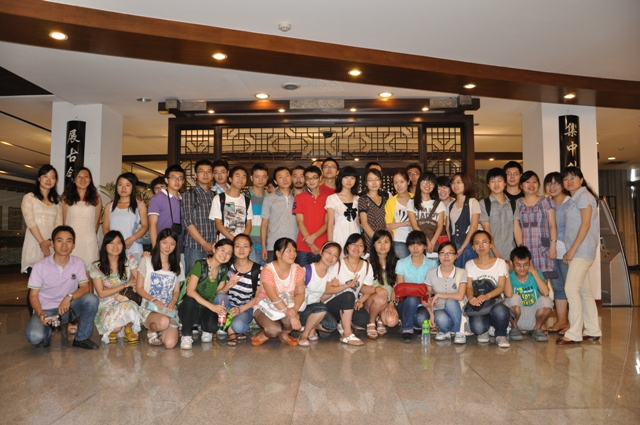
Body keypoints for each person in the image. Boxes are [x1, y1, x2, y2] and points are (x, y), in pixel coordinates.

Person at [25, 225, 100, 350]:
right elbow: (33, 295)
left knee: (91, 299)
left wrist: (69, 297)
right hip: (46, 311)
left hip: (68, 308)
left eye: (69, 241)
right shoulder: (40, 266)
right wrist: (39, 312)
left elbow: (85, 288)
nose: (64, 245)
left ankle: (81, 339)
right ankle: (47, 332)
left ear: (73, 245)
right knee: (35, 336)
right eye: (60, 241)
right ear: (52, 244)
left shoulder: (78, 263)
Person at [556, 167, 602, 345]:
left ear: (581, 180)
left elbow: (585, 225)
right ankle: (592, 329)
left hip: (581, 251)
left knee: (570, 289)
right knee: (584, 291)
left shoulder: (584, 196)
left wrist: (571, 250)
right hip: (579, 251)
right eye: (566, 179)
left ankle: (574, 333)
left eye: (573, 178)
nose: (569, 181)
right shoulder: (574, 199)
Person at [21, 164, 63, 314]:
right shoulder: (29, 198)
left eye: (52, 177)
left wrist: (49, 242)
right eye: (45, 176)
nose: (49, 180)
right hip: (34, 246)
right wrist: (42, 243)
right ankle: (35, 318)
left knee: (49, 285)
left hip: (51, 247)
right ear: (39, 178)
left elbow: (59, 226)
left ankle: (48, 316)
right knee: (35, 286)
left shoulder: (57, 201)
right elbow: (30, 222)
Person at [178, 238, 234, 349]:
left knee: (212, 327)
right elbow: (190, 291)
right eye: (222, 250)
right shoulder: (200, 264)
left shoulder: (223, 269)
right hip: (189, 307)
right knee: (190, 301)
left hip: (206, 308)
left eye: (229, 253)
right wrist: (212, 307)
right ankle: (186, 335)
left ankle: (205, 328)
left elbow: (218, 292)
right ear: (214, 249)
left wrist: (227, 286)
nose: (224, 255)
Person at [251, 237, 305, 346]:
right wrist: (292, 316)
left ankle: (284, 335)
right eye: (288, 250)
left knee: (293, 320)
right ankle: (266, 334)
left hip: (287, 305)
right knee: (273, 330)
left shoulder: (298, 269)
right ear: (278, 253)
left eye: (294, 250)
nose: (293, 254)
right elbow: (273, 297)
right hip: (265, 306)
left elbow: (301, 293)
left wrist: (295, 309)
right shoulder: (268, 270)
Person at [136, 228, 185, 349]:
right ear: (158, 242)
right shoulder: (146, 261)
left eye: (172, 244)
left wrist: (172, 303)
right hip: (149, 308)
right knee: (163, 322)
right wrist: (154, 300)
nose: (168, 247)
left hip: (168, 310)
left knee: (170, 344)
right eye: (164, 242)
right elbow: (139, 288)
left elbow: (176, 291)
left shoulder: (178, 266)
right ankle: (152, 330)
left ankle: (162, 329)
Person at [89, 230, 141, 344]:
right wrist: (124, 285)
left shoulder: (128, 259)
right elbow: (101, 293)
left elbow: (138, 280)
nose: (115, 246)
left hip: (125, 298)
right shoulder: (96, 266)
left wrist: (133, 284)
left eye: (119, 243)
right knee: (115, 328)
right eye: (111, 243)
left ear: (123, 245)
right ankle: (115, 328)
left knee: (129, 304)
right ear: (105, 246)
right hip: (107, 303)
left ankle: (128, 329)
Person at [465, 230, 511, 348]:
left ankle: (501, 334)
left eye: (484, 242)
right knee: (478, 328)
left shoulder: (500, 263)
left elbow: (501, 287)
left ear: (491, 244)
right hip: (478, 304)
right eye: (477, 243)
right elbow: (468, 287)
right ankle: (485, 329)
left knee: (500, 312)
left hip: (495, 301)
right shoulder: (469, 264)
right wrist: (471, 298)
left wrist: (487, 296)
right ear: (473, 247)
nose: (481, 246)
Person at [329, 233, 377, 345]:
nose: (357, 248)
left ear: (364, 249)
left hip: (351, 304)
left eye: (360, 245)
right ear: (347, 247)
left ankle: (343, 323)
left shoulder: (367, 266)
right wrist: (340, 286)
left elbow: (366, 288)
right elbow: (328, 289)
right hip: (333, 303)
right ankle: (347, 333)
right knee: (348, 295)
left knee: (363, 319)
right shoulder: (338, 264)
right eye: (353, 244)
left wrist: (360, 301)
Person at [214, 234, 262, 346]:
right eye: (237, 246)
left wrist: (240, 310)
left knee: (239, 326)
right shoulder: (227, 267)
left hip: (246, 308)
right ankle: (230, 332)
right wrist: (227, 286)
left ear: (250, 248)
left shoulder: (258, 269)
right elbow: (218, 294)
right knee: (220, 297)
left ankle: (237, 327)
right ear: (233, 248)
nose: (241, 250)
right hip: (228, 306)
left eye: (245, 246)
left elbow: (258, 297)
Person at [296, 242, 342, 346]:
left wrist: (333, 288)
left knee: (331, 326)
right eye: (329, 253)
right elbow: (296, 293)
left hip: (317, 309)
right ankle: (304, 334)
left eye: (335, 255)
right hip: (301, 309)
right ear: (321, 252)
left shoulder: (331, 275)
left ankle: (311, 326)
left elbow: (322, 298)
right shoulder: (307, 270)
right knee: (321, 308)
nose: (331, 257)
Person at [395, 230, 436, 343]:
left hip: (424, 304)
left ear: (425, 246)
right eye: (412, 244)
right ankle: (407, 330)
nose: (415, 248)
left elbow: (433, 288)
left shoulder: (432, 264)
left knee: (421, 319)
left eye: (419, 244)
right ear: (408, 247)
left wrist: (426, 299)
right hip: (405, 303)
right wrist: (419, 295)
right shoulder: (401, 263)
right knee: (412, 298)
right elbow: (400, 289)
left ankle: (413, 324)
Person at [515, 170, 557, 280]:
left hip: (542, 247)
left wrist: (553, 247)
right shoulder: (517, 203)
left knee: (543, 282)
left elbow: (553, 225)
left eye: (534, 181)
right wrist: (521, 249)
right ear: (521, 185)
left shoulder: (547, 202)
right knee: (527, 281)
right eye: (527, 182)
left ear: (538, 185)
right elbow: (516, 227)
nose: (531, 185)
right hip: (525, 247)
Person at [505, 246, 553, 342]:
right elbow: (508, 294)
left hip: (533, 316)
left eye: (525, 264)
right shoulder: (509, 276)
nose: (522, 268)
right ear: (511, 263)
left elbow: (545, 293)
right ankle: (515, 328)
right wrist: (506, 272)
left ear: (530, 263)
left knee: (547, 301)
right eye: (518, 265)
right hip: (516, 317)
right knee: (513, 298)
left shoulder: (536, 273)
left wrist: (534, 272)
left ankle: (537, 329)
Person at [425, 241, 468, 344]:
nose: (446, 256)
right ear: (438, 256)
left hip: (457, 308)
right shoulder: (431, 273)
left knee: (451, 302)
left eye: (450, 253)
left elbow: (460, 296)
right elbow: (426, 297)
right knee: (440, 318)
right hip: (439, 307)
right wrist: (430, 313)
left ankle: (459, 331)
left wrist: (439, 295)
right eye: (443, 253)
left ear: (456, 256)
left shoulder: (462, 272)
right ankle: (445, 331)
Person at [544, 171, 570, 334]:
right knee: (558, 286)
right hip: (550, 252)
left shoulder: (570, 203)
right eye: (549, 183)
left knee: (571, 287)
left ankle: (575, 323)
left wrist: (571, 250)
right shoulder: (546, 203)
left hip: (567, 251)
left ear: (562, 185)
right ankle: (561, 321)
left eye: (556, 183)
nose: (552, 187)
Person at [479, 168, 523, 262]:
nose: (496, 184)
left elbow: (516, 228)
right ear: (488, 185)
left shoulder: (513, 204)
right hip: (491, 253)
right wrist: (494, 250)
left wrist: (521, 249)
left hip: (511, 252)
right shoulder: (484, 204)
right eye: (492, 181)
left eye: (499, 181)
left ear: (505, 183)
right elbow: (486, 229)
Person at [103, 172, 148, 262]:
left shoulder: (139, 205)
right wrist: (114, 242)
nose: (123, 188)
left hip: (133, 246)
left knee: (133, 271)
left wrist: (132, 239)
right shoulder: (110, 206)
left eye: (127, 185)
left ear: (133, 187)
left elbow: (145, 226)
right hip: (114, 248)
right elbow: (105, 228)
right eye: (120, 184)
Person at [62, 167, 101, 269]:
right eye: (79, 176)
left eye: (86, 176)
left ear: (90, 179)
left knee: (89, 271)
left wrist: (91, 236)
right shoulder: (66, 198)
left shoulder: (96, 198)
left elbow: (96, 223)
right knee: (71, 270)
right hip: (72, 241)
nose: (83, 179)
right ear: (73, 179)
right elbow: (64, 221)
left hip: (89, 241)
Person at [182, 159, 217, 274]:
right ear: (195, 175)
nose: (205, 174)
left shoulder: (215, 196)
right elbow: (188, 222)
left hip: (213, 248)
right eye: (202, 171)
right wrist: (204, 244)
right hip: (195, 247)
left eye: (209, 171)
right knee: (193, 279)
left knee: (211, 280)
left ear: (212, 175)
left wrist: (214, 245)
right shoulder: (189, 195)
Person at [365, 230, 400, 337]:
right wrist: (376, 290)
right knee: (381, 298)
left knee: (391, 321)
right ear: (374, 244)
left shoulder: (397, 262)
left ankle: (381, 319)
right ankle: (371, 322)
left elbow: (397, 286)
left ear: (391, 244)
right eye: (379, 242)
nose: (383, 245)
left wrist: (391, 303)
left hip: (388, 301)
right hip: (371, 301)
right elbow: (362, 288)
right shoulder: (367, 262)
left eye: (386, 242)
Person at [292, 166, 328, 266]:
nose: (311, 181)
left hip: (323, 246)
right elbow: (299, 222)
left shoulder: (328, 198)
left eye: (314, 178)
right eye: (308, 178)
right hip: (303, 247)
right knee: (303, 275)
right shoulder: (299, 197)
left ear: (320, 178)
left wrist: (313, 237)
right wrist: (311, 244)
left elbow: (327, 223)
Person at [261, 167, 298, 263]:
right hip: (273, 246)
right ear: (275, 181)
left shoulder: (298, 198)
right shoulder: (269, 199)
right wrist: (264, 247)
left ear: (291, 178)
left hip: (294, 246)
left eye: (287, 176)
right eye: (280, 177)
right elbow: (264, 224)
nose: (284, 179)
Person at [408, 171, 446, 263]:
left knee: (434, 268)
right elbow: (414, 225)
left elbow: (440, 225)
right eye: (425, 181)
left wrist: (432, 242)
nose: (428, 185)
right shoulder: (411, 202)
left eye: (431, 182)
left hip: (435, 245)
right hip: (417, 244)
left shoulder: (439, 204)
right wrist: (426, 241)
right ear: (419, 183)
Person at [211, 166, 253, 241]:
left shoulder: (247, 201)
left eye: (244, 177)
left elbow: (248, 225)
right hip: (225, 243)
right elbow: (218, 224)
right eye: (237, 176)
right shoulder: (219, 198)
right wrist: (235, 240)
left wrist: (242, 241)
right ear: (230, 179)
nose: (240, 179)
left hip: (241, 244)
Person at [148, 164, 185, 248]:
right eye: (173, 178)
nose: (177, 181)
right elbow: (152, 224)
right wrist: (156, 248)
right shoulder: (157, 198)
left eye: (180, 178)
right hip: (162, 246)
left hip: (180, 246)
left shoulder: (183, 199)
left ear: (183, 181)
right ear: (166, 180)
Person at [448, 173, 480, 268]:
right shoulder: (450, 205)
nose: (455, 185)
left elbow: (474, 227)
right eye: (453, 183)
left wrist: (462, 247)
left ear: (466, 184)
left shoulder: (473, 202)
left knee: (468, 272)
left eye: (459, 182)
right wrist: (450, 246)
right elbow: (448, 228)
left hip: (468, 244)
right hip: (454, 244)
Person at [326, 166, 360, 249]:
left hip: (355, 233)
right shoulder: (332, 198)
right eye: (346, 177)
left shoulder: (358, 198)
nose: (349, 181)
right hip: (339, 233)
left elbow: (358, 221)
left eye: (352, 178)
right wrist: (330, 243)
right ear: (340, 178)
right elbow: (330, 223)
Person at [359, 168, 389, 253]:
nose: (374, 183)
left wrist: (383, 241)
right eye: (370, 180)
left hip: (384, 240)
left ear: (380, 181)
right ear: (366, 183)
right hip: (370, 239)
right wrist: (377, 241)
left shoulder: (385, 199)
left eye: (377, 179)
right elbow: (364, 224)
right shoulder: (363, 200)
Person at [385, 170, 413, 259]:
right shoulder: (390, 202)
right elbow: (388, 225)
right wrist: (407, 223)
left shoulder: (416, 198)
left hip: (416, 240)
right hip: (399, 240)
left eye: (401, 182)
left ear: (408, 182)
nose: (399, 185)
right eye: (396, 182)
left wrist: (397, 224)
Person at [247, 163, 268, 265]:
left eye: (263, 177)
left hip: (267, 246)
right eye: (257, 177)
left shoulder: (270, 198)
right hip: (250, 246)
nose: (260, 180)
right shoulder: (245, 197)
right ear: (251, 178)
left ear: (267, 178)